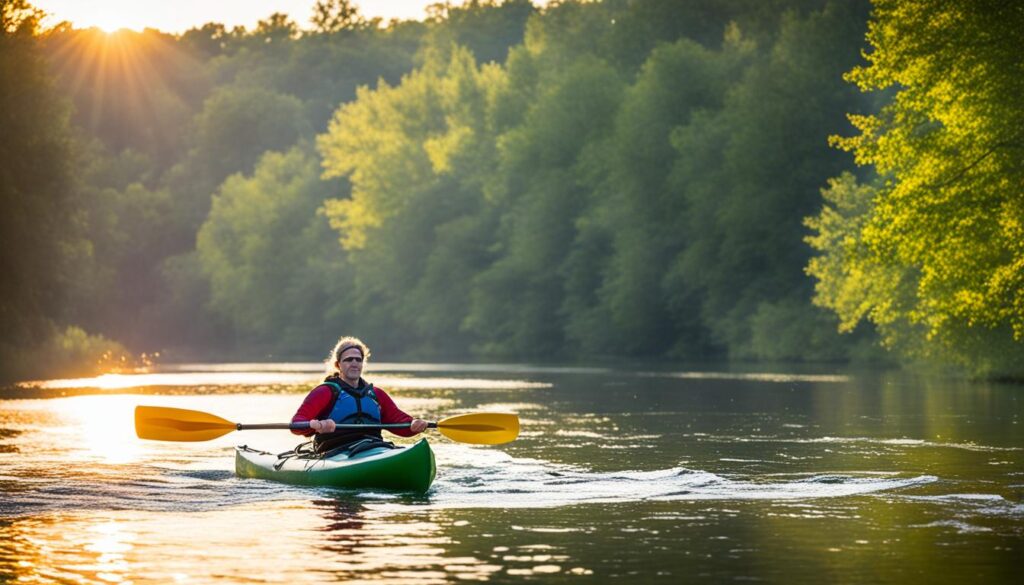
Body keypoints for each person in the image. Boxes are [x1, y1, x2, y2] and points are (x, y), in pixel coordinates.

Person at [291, 336, 428, 453]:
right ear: (338, 365)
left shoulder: (376, 394)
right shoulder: (325, 392)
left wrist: (414, 423)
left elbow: (397, 420)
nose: (354, 363)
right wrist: (317, 425)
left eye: (358, 359)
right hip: (334, 451)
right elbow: (296, 424)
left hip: (372, 447)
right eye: (349, 360)